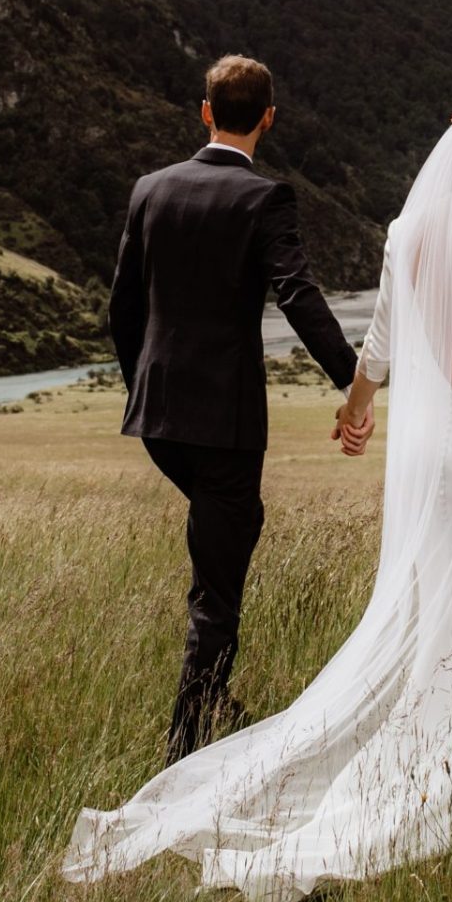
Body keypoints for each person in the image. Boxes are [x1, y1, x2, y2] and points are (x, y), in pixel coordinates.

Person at [64, 96, 452, 902]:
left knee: (425, 605)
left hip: (426, 456)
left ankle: (439, 742)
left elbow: (382, 342)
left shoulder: (407, 232)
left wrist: (358, 406)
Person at [105, 54, 360, 766]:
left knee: (225, 532)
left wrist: (142, 391)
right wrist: (354, 378)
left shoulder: (150, 189)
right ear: (270, 118)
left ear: (205, 110)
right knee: (218, 585)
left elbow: (121, 310)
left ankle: (216, 700)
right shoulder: (265, 198)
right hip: (224, 425)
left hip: (159, 421)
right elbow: (298, 294)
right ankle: (185, 745)